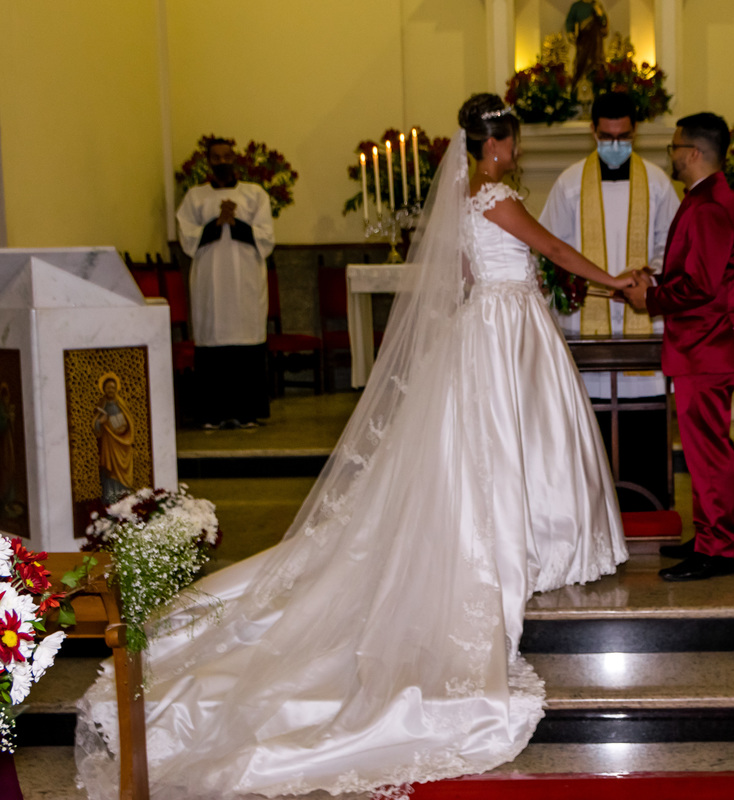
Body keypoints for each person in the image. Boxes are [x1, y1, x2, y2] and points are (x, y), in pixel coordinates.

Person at [76, 94, 632, 800]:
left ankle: (517, 535)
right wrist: (613, 279)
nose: (514, 153)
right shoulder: (496, 195)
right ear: (499, 144)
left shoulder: (465, 201)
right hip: (507, 326)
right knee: (510, 441)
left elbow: (463, 277)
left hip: (484, 324)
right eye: (512, 142)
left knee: (484, 449)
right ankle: (526, 542)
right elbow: (550, 249)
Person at [623, 112, 734, 582]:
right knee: (701, 450)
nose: (671, 156)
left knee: (709, 451)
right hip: (701, 344)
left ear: (694, 153)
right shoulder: (705, 199)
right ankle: (706, 536)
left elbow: (700, 286)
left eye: (675, 148)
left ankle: (718, 550)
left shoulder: (709, 206)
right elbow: (700, 273)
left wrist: (650, 298)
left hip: (706, 345)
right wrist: (655, 280)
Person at [540, 91, 679, 508]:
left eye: (623, 136)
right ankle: (592, 514)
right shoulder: (568, 184)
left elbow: (672, 245)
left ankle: (649, 505)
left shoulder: (657, 182)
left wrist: (645, 274)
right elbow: (551, 247)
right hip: (586, 322)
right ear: (593, 132)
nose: (614, 144)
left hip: (642, 320)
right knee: (591, 419)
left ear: (634, 132)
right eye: (606, 136)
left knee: (645, 419)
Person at [176, 138, 274, 430]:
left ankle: (247, 412)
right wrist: (216, 223)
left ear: (236, 159)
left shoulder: (254, 194)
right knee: (213, 340)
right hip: (211, 281)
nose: (222, 162)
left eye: (226, 156)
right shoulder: (195, 196)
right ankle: (212, 413)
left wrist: (236, 222)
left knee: (247, 340)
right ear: (208, 162)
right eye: (216, 158)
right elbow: (187, 237)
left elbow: (266, 236)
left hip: (245, 279)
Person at [92, 372, 135, 504]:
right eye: (108, 387)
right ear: (104, 389)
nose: (111, 390)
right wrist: (101, 421)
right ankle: (111, 499)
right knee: (110, 471)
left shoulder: (121, 403)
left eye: (113, 387)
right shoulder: (102, 405)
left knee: (123, 470)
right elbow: (95, 425)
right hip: (108, 444)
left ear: (116, 388)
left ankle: (125, 498)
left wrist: (124, 428)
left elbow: (130, 422)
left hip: (123, 443)